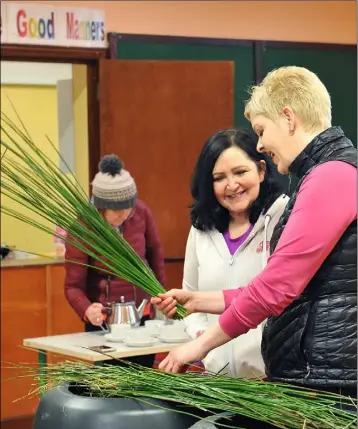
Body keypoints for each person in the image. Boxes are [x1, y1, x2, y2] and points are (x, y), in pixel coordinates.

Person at [152, 66, 357, 397]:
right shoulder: (327, 174)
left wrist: (198, 347)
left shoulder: (331, 176)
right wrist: (201, 300)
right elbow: (289, 288)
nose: (260, 144)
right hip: (321, 372)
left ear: (288, 118)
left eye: (262, 130)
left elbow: (275, 288)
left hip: (328, 378)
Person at [182, 128, 288, 376]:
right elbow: (190, 298)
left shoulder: (283, 217)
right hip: (217, 382)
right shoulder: (201, 228)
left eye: (240, 172)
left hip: (272, 382)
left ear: (261, 170)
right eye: (219, 178)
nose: (232, 185)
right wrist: (203, 339)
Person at [65, 154, 165, 367]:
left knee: (143, 379)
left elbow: (155, 256)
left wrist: (161, 295)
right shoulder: (83, 228)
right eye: (117, 211)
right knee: (110, 387)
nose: (125, 214)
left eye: (129, 207)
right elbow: (72, 287)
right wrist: (86, 309)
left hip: (141, 320)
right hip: (104, 324)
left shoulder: (141, 213)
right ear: (101, 207)